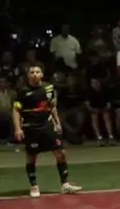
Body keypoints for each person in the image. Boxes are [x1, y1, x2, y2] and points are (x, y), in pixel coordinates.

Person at [13, 65, 81, 199]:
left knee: (61, 154)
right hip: (31, 128)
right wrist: (17, 128)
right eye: (32, 72)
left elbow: (52, 107)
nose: (34, 74)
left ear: (42, 75)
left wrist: (57, 122)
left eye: (37, 72)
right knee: (32, 157)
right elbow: (16, 110)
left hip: (47, 126)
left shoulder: (49, 88)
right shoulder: (23, 91)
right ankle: (34, 186)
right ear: (28, 75)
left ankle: (65, 184)